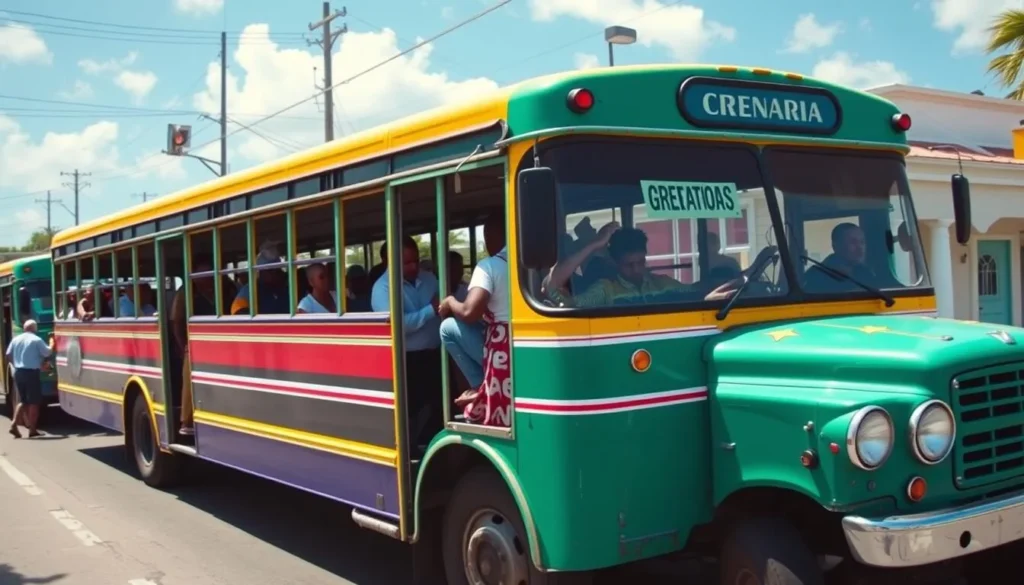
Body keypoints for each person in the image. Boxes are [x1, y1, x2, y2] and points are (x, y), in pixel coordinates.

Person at [543, 223, 736, 307]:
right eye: (629, 265)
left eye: (641, 262)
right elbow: (551, 287)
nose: (637, 270)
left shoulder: (662, 284)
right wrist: (594, 244)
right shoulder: (605, 290)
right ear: (614, 262)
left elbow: (695, 292)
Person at [438, 215, 511, 426]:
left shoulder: (489, 266)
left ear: (489, 236)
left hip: (502, 353)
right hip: (524, 345)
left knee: (448, 327)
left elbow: (469, 311)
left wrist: (451, 302)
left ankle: (481, 386)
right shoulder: (531, 263)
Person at [371, 235, 441, 444]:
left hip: (436, 354)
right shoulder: (382, 288)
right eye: (407, 262)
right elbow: (398, 325)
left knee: (436, 408)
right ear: (388, 262)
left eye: (416, 260)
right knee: (414, 411)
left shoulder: (429, 278)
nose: (413, 267)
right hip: (407, 360)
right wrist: (431, 309)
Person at [171, 259, 219, 436]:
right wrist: (183, 344)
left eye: (209, 274)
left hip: (217, 341)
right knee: (189, 373)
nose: (206, 278)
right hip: (193, 342)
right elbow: (177, 321)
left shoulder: (221, 289)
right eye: (202, 274)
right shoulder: (186, 294)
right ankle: (187, 420)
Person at [5, 320, 54, 438]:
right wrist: (52, 342)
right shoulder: (36, 339)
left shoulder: (16, 339)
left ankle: (13, 424)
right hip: (31, 374)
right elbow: (47, 352)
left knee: (23, 401)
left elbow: (7, 354)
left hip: (19, 372)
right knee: (34, 403)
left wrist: (16, 364)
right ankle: (32, 429)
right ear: (34, 328)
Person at [230, 242, 290, 315]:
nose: (276, 274)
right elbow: (237, 310)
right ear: (262, 272)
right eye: (271, 271)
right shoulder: (250, 289)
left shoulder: (288, 284)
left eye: (278, 270)